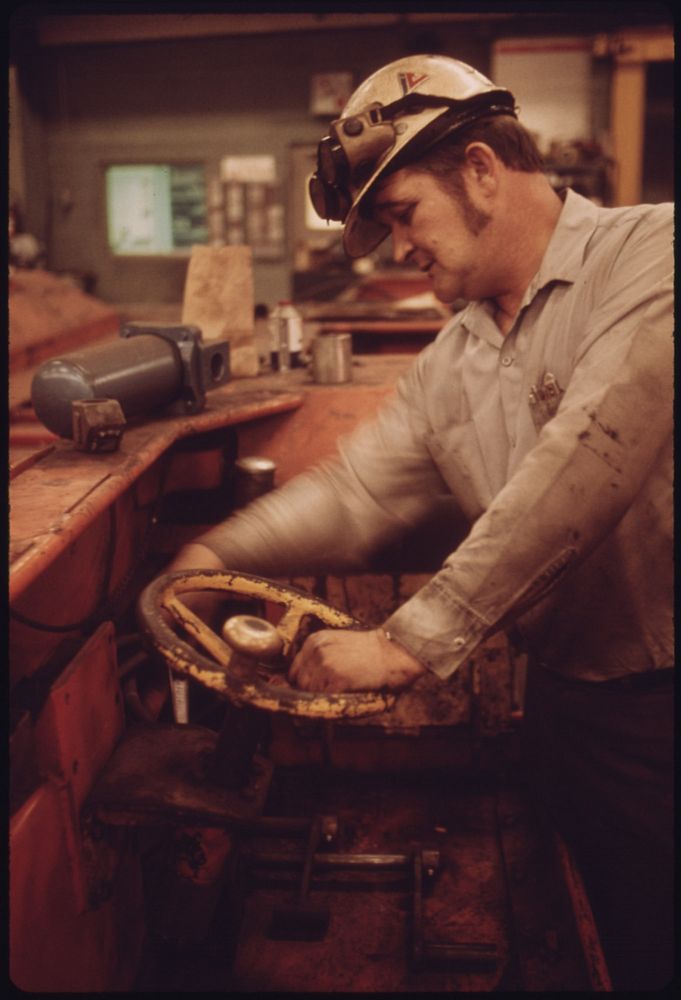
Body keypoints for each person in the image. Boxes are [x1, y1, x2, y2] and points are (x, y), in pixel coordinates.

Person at [166, 56, 673, 989]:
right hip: (563, 700)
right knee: (589, 922)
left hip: (663, 703)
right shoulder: (457, 355)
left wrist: (411, 642)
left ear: (480, 170)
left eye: (401, 213)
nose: (399, 246)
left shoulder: (652, 254)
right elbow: (359, 495)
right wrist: (204, 560)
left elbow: (594, 452)